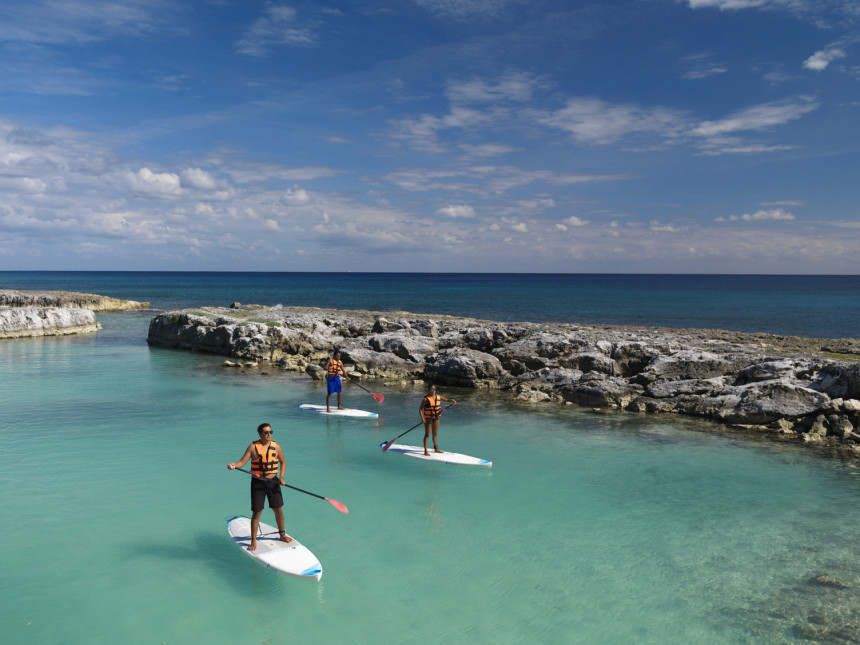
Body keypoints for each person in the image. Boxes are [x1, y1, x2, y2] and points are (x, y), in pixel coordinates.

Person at [227, 423, 292, 552]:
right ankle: (253, 541)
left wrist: (282, 477)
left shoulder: (276, 447)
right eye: (266, 432)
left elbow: (283, 462)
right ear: (260, 434)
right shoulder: (252, 448)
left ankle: (282, 534)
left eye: (271, 432)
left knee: (278, 509)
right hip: (258, 483)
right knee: (257, 512)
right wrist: (234, 465)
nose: (269, 434)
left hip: (273, 481)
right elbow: (241, 462)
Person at [420, 384, 456, 456]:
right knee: (427, 434)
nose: (433, 391)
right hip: (428, 418)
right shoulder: (426, 399)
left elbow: (447, 400)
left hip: (436, 417)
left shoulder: (438, 396)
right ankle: (425, 451)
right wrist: (422, 418)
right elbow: (421, 409)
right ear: (429, 390)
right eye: (432, 389)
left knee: (435, 434)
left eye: (434, 389)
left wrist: (452, 401)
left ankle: (436, 449)